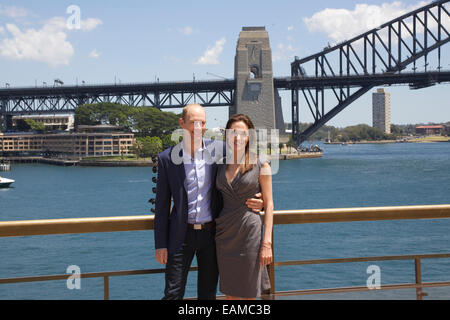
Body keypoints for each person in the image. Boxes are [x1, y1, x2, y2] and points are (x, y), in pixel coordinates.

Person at [154, 104, 264, 300]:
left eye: (202, 123)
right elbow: (162, 206)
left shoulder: (221, 150)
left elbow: (249, 169)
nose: (198, 127)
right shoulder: (167, 158)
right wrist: (160, 244)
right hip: (180, 236)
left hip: (213, 236)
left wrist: (262, 199)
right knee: (172, 294)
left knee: (208, 295)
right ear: (181, 123)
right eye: (193, 123)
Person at [215, 113, 274, 300]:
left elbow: (270, 203)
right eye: (232, 132)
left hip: (250, 233)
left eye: (241, 133)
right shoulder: (219, 164)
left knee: (249, 292)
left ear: (248, 137)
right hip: (224, 234)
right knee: (230, 292)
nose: (237, 137)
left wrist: (266, 244)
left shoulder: (261, 164)